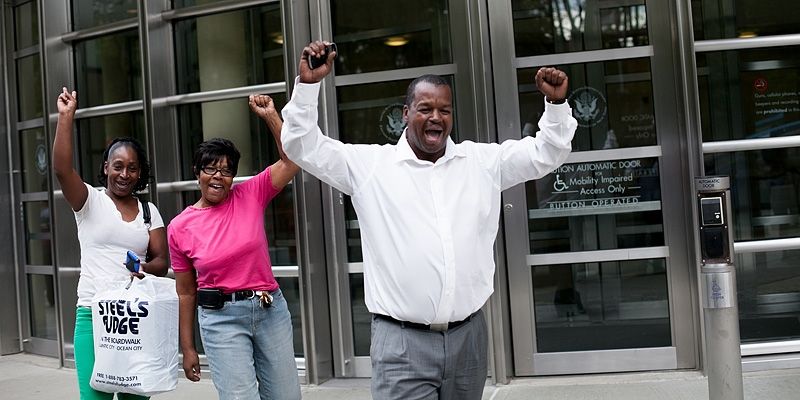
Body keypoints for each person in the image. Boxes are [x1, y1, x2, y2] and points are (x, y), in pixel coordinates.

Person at [281, 41, 578, 400]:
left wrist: (557, 105)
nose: (436, 117)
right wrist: (309, 85)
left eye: (444, 110)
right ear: (405, 114)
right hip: (402, 344)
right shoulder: (370, 167)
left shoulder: (481, 163)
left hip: (468, 338)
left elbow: (546, 153)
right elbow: (301, 145)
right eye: (425, 109)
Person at [168, 95, 301, 400]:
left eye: (226, 171)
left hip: (269, 309)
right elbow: (186, 292)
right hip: (220, 319)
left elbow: (292, 161)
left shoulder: (250, 194)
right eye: (210, 169)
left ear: (233, 177)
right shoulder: (179, 227)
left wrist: (271, 116)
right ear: (197, 172)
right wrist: (188, 348)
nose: (217, 177)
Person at [53, 88, 169, 400]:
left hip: (134, 318)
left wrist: (143, 268)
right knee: (94, 398)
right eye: (117, 165)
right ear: (106, 167)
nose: (124, 173)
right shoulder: (89, 201)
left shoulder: (149, 211)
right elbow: (62, 169)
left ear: (140, 172)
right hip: (93, 316)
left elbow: (162, 261)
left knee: (135, 397)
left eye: (132, 167)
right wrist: (66, 118)